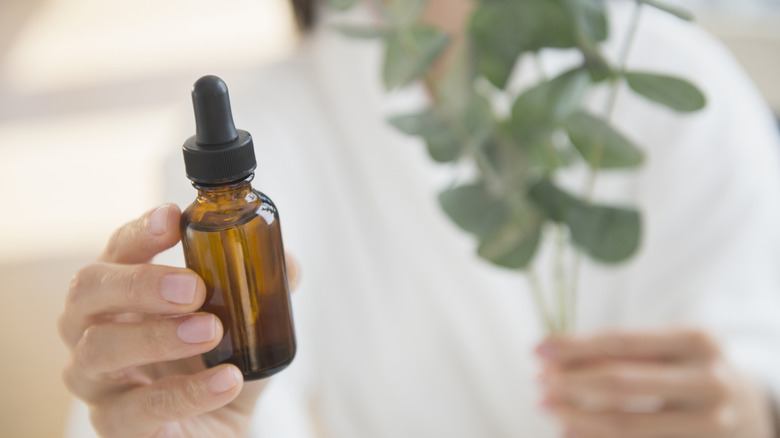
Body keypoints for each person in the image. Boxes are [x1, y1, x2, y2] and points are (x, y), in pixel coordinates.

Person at [60, 0, 780, 437]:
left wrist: (755, 413)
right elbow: (204, 408)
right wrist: (183, 424)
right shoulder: (275, 142)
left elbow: (756, 353)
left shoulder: (677, 75)